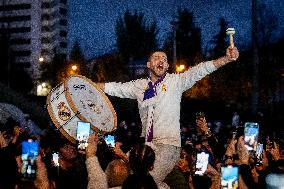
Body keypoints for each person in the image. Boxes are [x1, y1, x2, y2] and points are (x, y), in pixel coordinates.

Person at [96, 46, 239, 188]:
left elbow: (200, 70)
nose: (161, 60)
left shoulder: (176, 82)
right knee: (118, 172)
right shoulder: (140, 85)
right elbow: (115, 88)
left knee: (146, 182)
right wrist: (88, 85)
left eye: (164, 59)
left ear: (167, 66)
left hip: (168, 145)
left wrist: (226, 59)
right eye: (156, 58)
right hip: (147, 144)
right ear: (148, 64)